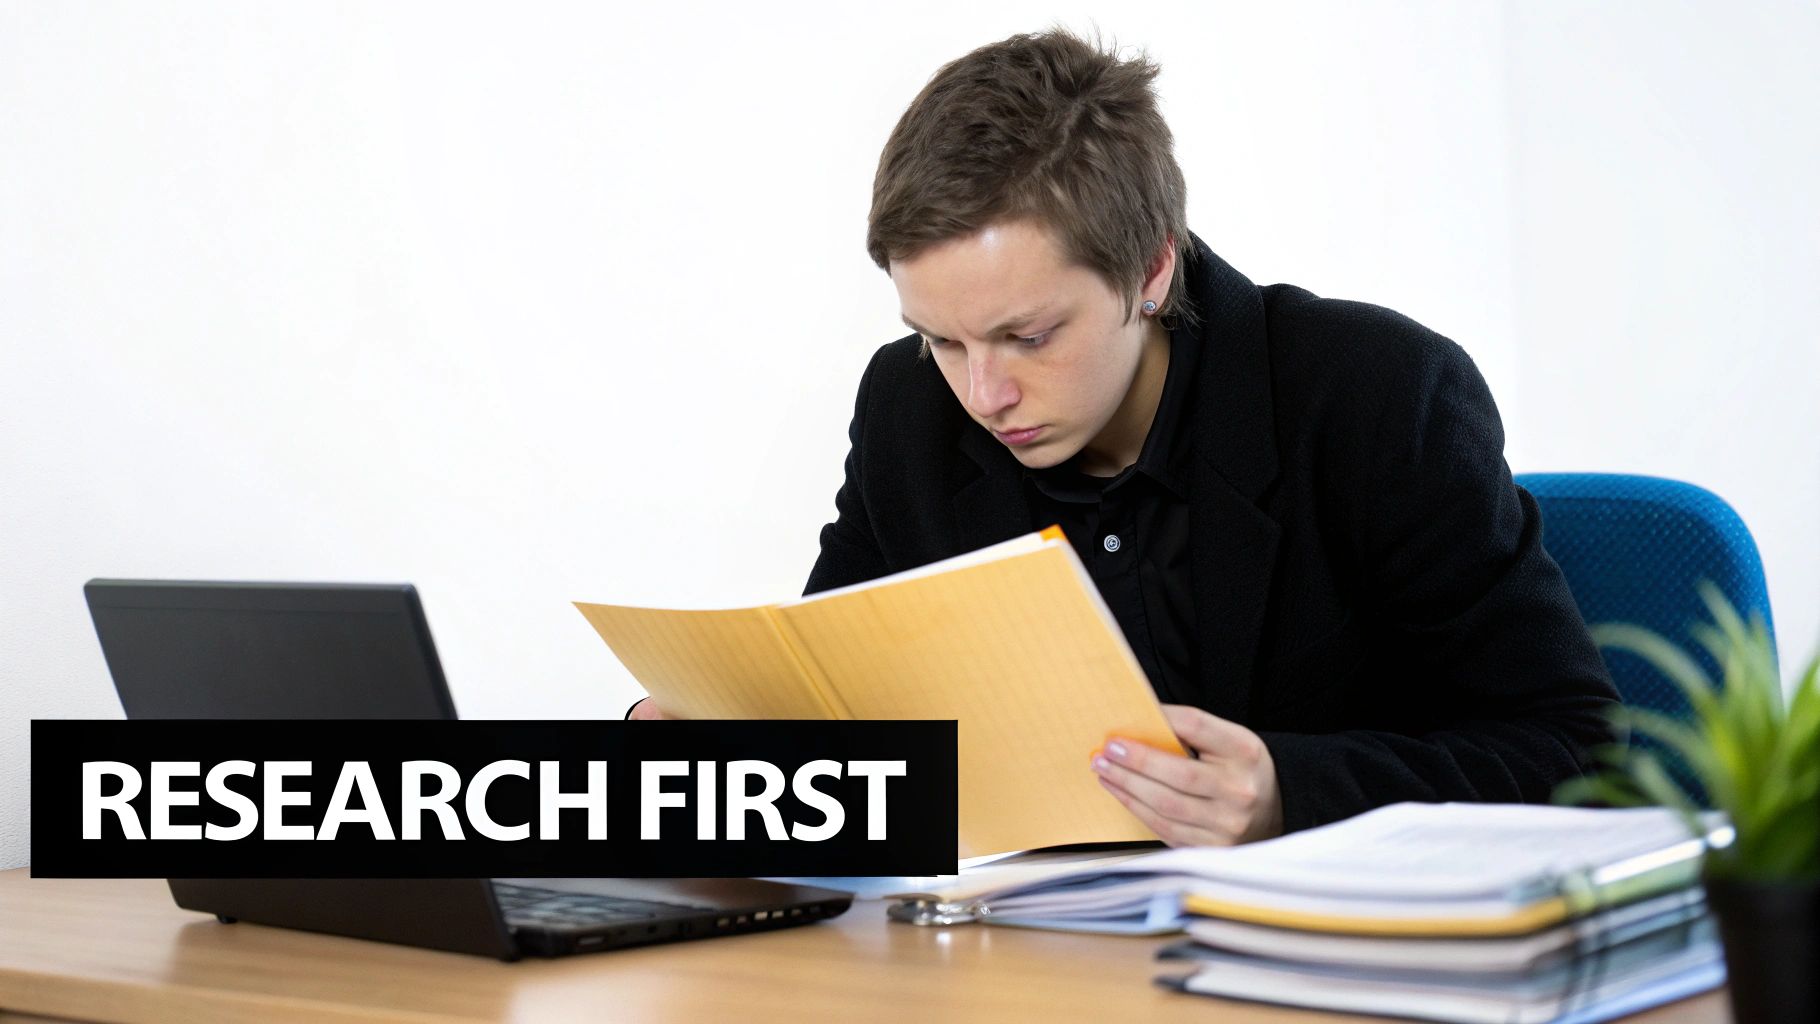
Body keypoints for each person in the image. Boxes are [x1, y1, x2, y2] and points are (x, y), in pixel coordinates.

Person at [630, 27, 1620, 845]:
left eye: (1027, 335)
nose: (981, 391)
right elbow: (840, 716)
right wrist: (725, 765)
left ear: (1150, 270)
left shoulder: (1374, 396)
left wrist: (1288, 794)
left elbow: (1574, 751)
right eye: (939, 339)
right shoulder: (906, 409)